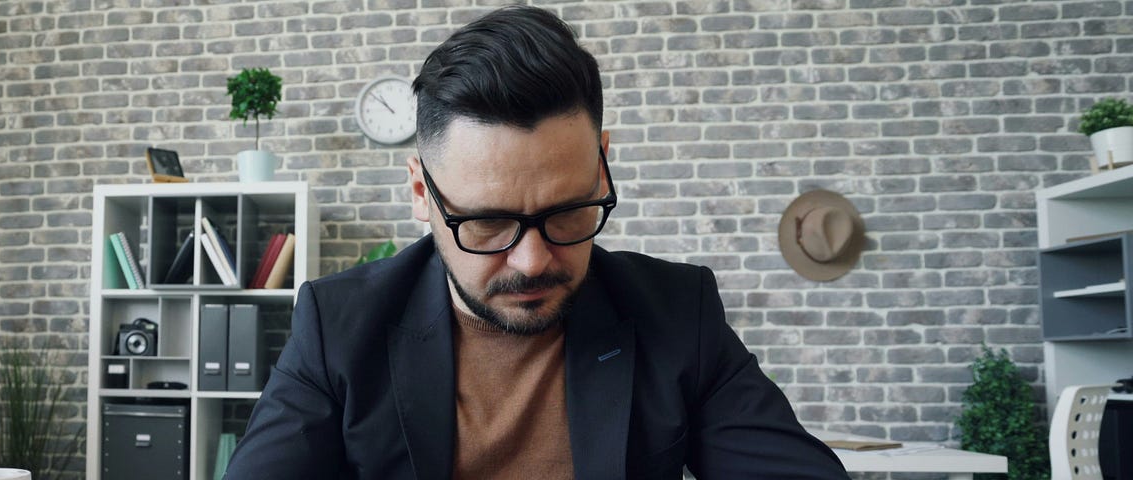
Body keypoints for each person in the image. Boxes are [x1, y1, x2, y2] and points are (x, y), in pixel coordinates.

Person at [225, 6, 847, 479]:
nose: (532, 260)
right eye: (488, 224)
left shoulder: (679, 314)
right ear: (422, 193)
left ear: (602, 168)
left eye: (569, 212)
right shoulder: (338, 326)